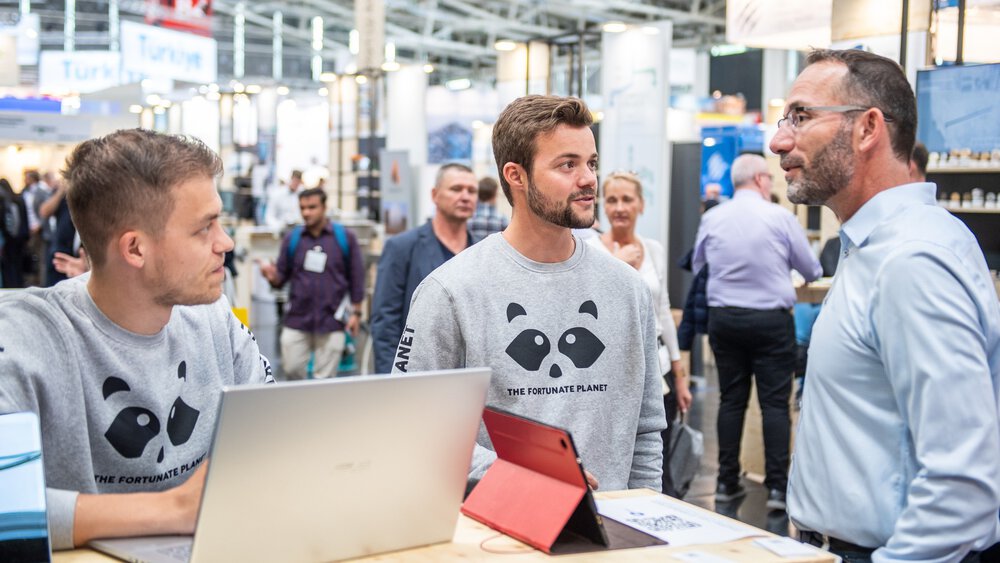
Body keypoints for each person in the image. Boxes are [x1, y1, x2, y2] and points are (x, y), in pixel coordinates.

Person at [772, 48, 1000, 562]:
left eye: (801, 116)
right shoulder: (880, 248)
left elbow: (961, 483)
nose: (779, 139)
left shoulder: (910, 260)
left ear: (868, 128)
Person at [0, 129, 274, 550]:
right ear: (135, 249)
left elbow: (272, 448)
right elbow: (7, 511)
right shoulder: (27, 337)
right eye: (204, 228)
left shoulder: (214, 317)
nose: (226, 243)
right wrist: (175, 509)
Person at [392, 95, 666, 492]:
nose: (589, 179)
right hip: (495, 539)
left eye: (591, 163)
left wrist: (643, 515)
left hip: (612, 537)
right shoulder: (450, 292)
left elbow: (646, 429)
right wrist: (527, 474)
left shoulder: (627, 289)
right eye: (567, 164)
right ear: (516, 175)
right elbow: (414, 422)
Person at [692, 153, 821, 511]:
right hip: (770, 321)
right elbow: (811, 270)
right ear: (762, 180)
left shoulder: (713, 218)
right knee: (775, 404)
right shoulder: (780, 217)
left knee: (731, 400)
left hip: (725, 318)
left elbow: (699, 262)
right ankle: (779, 490)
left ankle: (725, 483)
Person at [586, 171, 691, 497]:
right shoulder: (590, 250)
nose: (619, 207)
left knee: (657, 450)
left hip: (656, 366)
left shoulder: (654, 249)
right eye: (613, 199)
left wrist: (679, 371)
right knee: (617, 452)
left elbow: (663, 309)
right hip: (612, 368)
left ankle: (662, 512)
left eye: (627, 199)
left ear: (641, 205)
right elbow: (589, 315)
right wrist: (619, 267)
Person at [370, 163, 478, 375]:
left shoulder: (480, 253)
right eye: (456, 189)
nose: (466, 197)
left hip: (468, 377)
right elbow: (385, 322)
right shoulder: (402, 247)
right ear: (435, 195)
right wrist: (390, 383)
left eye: (472, 191)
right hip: (417, 373)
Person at [260, 187, 364, 380]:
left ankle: (320, 410)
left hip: (332, 320)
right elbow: (280, 279)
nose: (306, 212)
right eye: (303, 208)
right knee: (291, 371)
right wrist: (271, 276)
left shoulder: (344, 238)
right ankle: (298, 410)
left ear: (324, 207)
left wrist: (356, 313)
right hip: (297, 319)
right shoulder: (293, 239)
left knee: (324, 381)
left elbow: (357, 278)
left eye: (312, 207)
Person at [38, 174, 78, 286]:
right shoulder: (60, 192)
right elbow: (44, 211)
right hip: (60, 248)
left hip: (80, 249)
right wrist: (61, 191)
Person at [0, 177, 29, 288]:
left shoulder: (5, 200)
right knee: (17, 264)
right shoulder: (18, 199)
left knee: (9, 264)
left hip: (10, 238)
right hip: (20, 237)